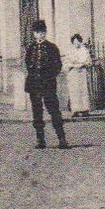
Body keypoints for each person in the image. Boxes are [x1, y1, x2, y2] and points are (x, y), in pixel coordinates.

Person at [24, 20, 69, 150]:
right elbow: (27, 64)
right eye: (38, 32)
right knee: (37, 112)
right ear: (34, 34)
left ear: (46, 32)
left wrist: (49, 76)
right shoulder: (30, 48)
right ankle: (40, 139)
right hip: (34, 84)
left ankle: (62, 138)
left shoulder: (52, 47)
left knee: (54, 110)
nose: (41, 35)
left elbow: (58, 66)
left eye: (43, 32)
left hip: (48, 84)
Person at [66, 34, 93, 117]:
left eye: (78, 42)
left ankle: (85, 109)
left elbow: (88, 61)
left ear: (80, 42)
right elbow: (67, 62)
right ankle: (75, 110)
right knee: (74, 91)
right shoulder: (70, 51)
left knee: (83, 91)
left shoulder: (84, 50)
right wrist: (72, 65)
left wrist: (83, 63)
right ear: (72, 43)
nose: (76, 44)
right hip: (73, 72)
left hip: (82, 72)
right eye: (75, 42)